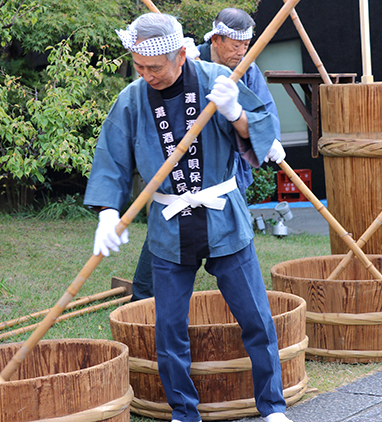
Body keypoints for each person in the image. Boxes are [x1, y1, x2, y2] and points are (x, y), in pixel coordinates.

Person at [84, 12, 290, 422]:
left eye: (154, 67)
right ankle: (183, 412)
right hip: (168, 223)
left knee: (256, 318)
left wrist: (234, 112)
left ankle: (272, 407)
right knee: (169, 328)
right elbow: (111, 159)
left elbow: (263, 134)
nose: (146, 75)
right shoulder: (131, 98)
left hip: (223, 217)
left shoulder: (219, 79)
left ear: (181, 55)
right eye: (139, 67)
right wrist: (108, 213)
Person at [130, 8, 283, 302]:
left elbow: (264, 115)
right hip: (180, 167)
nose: (241, 51)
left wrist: (267, 137)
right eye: (236, 45)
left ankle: (237, 295)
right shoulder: (185, 58)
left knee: (231, 236)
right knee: (168, 230)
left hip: (225, 171)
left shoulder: (247, 71)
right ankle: (143, 297)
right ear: (216, 39)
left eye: (246, 45)